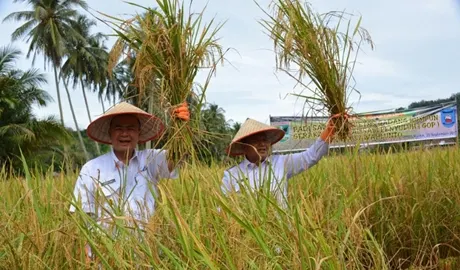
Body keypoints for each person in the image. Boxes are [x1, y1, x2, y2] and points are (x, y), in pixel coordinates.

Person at [68, 101, 189, 261]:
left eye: (131, 128)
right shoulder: (91, 168)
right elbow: (81, 220)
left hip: (146, 258)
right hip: (104, 259)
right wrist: (86, 261)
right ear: (110, 133)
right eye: (118, 128)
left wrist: (182, 126)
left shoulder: (150, 160)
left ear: (139, 133)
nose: (124, 134)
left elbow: (178, 155)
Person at [221, 114, 344, 208]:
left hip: (283, 234)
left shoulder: (281, 163)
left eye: (265, 139)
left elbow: (311, 156)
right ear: (244, 146)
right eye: (256, 140)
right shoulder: (232, 175)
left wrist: (330, 130)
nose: (262, 144)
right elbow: (223, 209)